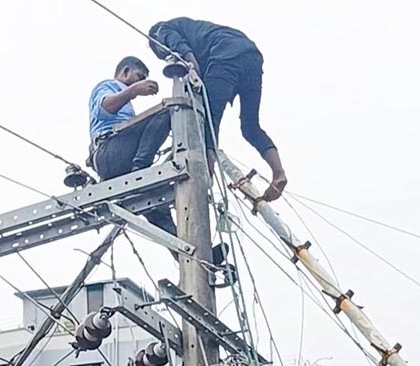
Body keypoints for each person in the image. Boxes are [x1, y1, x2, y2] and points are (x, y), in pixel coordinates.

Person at [148, 17, 288, 202]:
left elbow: (183, 50)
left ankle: (206, 178)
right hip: (251, 57)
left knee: (207, 121)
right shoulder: (196, 30)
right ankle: (278, 173)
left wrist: (191, 66)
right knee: (250, 126)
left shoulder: (162, 31)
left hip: (225, 55)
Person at [87, 56, 175, 235]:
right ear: (125, 72)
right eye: (139, 76)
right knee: (168, 110)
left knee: (158, 207)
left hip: (116, 158)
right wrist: (134, 90)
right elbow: (106, 107)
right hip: (109, 151)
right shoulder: (108, 86)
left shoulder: (126, 105)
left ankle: (197, 257)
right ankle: (140, 168)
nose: (141, 81)